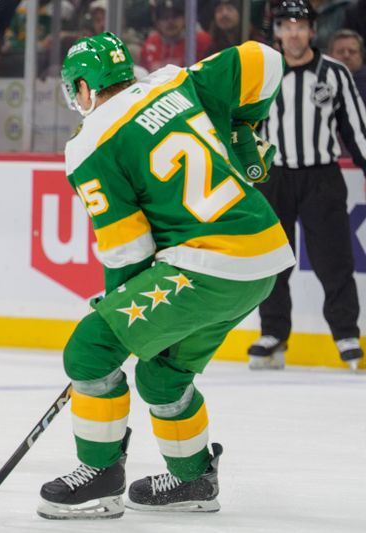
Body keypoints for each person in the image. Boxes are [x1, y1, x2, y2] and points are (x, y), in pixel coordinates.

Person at [36, 32, 294, 519]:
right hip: (261, 260)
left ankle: (99, 479)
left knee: (91, 351)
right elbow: (266, 59)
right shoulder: (175, 82)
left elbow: (127, 248)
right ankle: (192, 479)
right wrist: (242, 132)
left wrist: (117, 312)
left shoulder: (90, 142)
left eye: (76, 90)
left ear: (86, 89)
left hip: (207, 266)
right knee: (163, 377)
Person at [252, 0, 366, 370]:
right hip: (275, 177)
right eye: (286, 25)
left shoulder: (334, 73)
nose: (294, 32)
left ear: (313, 31)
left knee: (333, 259)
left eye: (301, 25)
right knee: (272, 262)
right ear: (278, 32)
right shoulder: (263, 73)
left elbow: (357, 129)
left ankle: (346, 333)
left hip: (321, 178)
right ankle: (273, 333)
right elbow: (244, 127)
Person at [140, 0, 212, 72]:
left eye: (175, 15)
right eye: (164, 17)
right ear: (157, 22)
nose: (170, 21)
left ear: (185, 17)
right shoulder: (149, 44)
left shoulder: (201, 41)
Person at [328, 28, 366, 101]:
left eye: (352, 51)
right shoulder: (318, 80)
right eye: (340, 52)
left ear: (361, 55)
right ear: (330, 55)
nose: (346, 55)